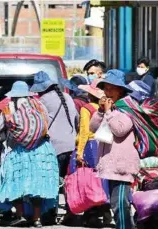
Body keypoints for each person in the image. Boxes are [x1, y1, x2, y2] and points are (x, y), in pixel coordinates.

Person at [0, 81, 59, 228]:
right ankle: (36, 219)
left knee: (14, 182)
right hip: (41, 150)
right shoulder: (39, 105)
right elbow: (46, 123)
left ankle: (20, 214)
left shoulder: (9, 108)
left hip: (18, 151)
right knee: (36, 185)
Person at [90, 69, 140, 229]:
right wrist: (100, 111)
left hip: (122, 166)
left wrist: (109, 112)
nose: (107, 92)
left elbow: (120, 129)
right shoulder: (111, 109)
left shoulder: (128, 108)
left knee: (120, 205)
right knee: (116, 205)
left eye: (111, 88)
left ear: (120, 90)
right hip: (110, 165)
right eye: (106, 88)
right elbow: (93, 127)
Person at [30, 71, 79, 224]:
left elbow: (39, 125)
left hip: (54, 148)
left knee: (52, 181)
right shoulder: (68, 97)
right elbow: (76, 119)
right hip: (71, 145)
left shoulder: (43, 100)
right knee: (67, 182)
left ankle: (49, 216)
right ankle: (71, 212)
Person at [73, 79, 112, 227]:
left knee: (90, 181)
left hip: (90, 146)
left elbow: (84, 132)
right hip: (104, 144)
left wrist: (79, 153)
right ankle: (107, 214)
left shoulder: (86, 108)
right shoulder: (107, 107)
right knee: (104, 180)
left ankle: (92, 216)